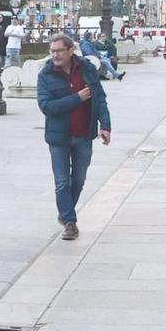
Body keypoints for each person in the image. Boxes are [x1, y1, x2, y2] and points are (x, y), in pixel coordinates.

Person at [36, 32, 111, 240]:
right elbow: (46, 107)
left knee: (78, 179)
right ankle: (70, 222)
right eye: (52, 51)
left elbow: (100, 99)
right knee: (62, 182)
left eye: (59, 51)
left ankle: (65, 212)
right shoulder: (46, 75)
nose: (55, 55)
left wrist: (105, 126)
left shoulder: (86, 69)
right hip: (58, 137)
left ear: (71, 51)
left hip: (84, 134)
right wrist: (77, 98)